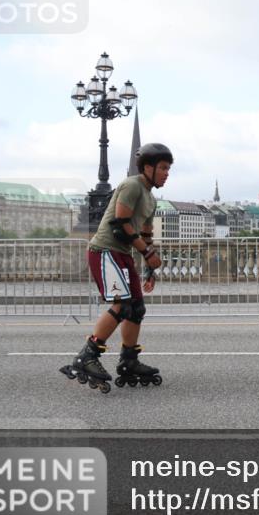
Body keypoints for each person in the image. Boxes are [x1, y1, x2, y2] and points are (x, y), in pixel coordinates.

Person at [60, 143, 173, 393]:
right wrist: (147, 253)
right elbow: (120, 223)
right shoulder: (131, 185)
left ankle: (128, 360)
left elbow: (146, 233)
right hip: (104, 250)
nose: (167, 174)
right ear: (148, 167)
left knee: (136, 307)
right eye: (163, 168)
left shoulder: (150, 199)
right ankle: (86, 357)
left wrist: (149, 269)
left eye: (168, 169)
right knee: (122, 305)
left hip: (121, 253)